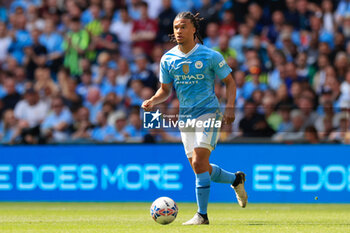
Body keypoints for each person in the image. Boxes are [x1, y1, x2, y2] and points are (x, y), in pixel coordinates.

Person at [141, 12, 247, 225]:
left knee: (199, 162)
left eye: (182, 27)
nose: (178, 31)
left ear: (193, 29)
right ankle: (236, 180)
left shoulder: (210, 56)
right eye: (175, 27)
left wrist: (230, 108)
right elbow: (165, 90)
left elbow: (231, 82)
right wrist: (153, 100)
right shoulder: (168, 59)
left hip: (209, 113)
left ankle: (202, 215)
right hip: (186, 119)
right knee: (201, 168)